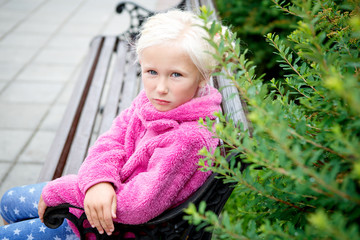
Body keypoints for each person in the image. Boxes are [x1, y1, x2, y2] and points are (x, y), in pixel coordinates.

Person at [0, 9, 222, 239]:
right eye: (152, 72)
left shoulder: (189, 138)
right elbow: (112, 138)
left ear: (202, 76)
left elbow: (138, 206)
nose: (160, 87)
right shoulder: (154, 102)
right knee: (8, 200)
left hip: (113, 227)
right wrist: (99, 181)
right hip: (100, 200)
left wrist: (64, 191)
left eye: (176, 75)